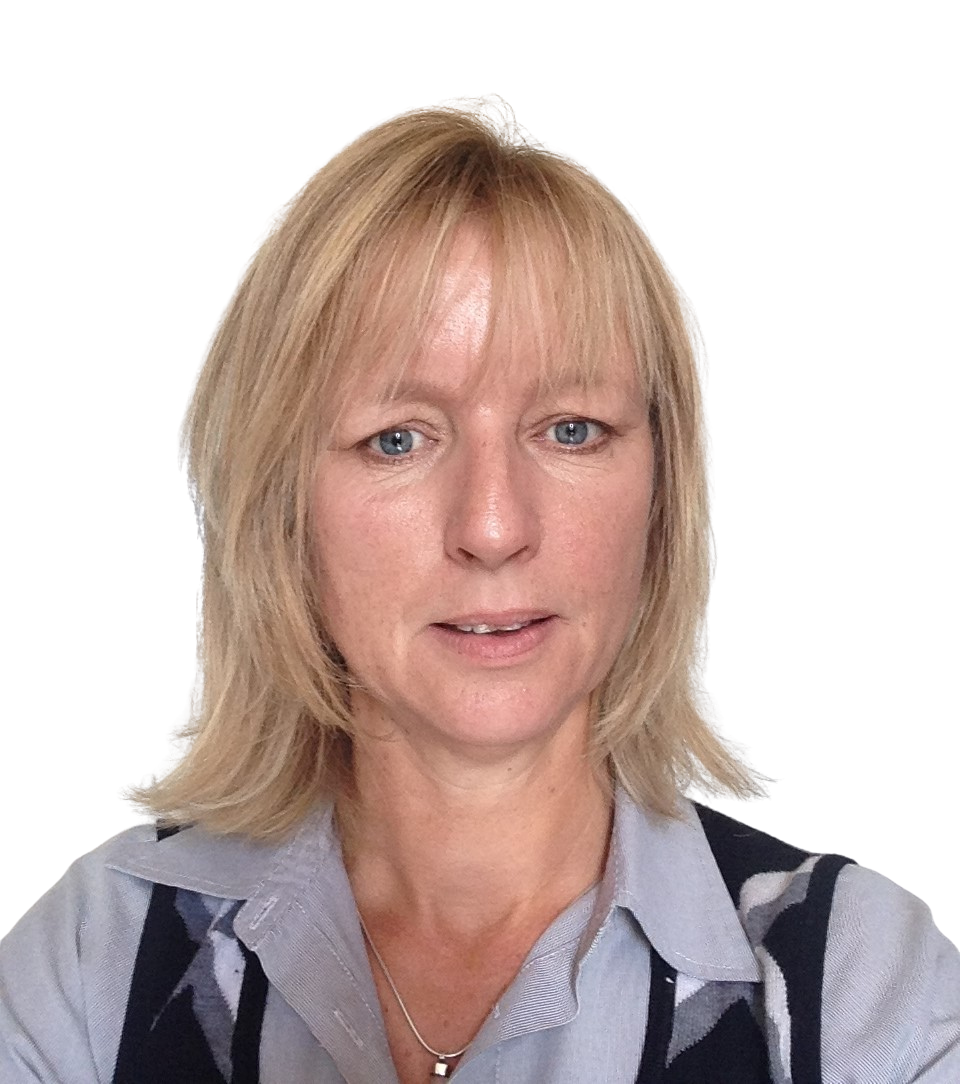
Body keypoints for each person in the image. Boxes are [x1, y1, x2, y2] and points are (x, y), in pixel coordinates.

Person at [1, 93, 957, 1084]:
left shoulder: (862, 989)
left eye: (571, 429)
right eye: (398, 439)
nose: (495, 527)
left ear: (662, 491)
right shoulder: (92, 965)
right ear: (281, 504)